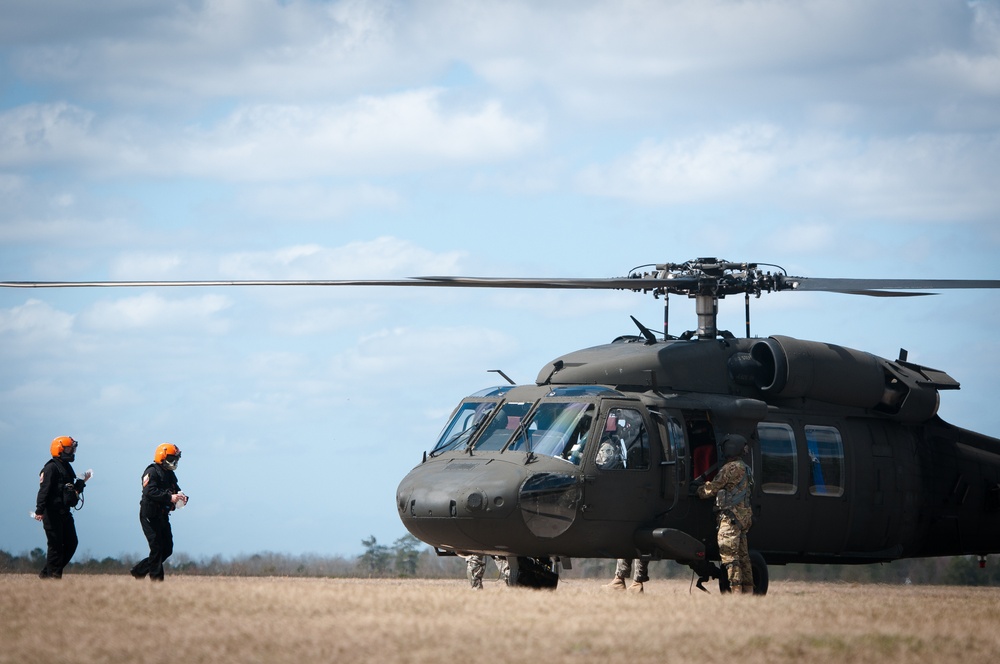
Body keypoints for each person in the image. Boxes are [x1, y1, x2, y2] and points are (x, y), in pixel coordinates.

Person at [696, 433, 754, 594]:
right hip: (743, 518)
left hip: (730, 518)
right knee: (743, 556)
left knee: (729, 554)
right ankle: (748, 590)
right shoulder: (746, 468)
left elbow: (712, 489)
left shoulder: (730, 468)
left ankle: (735, 590)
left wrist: (699, 489)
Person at [34, 436, 91, 579]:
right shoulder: (50, 468)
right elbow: (44, 490)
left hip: (65, 512)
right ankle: (53, 578)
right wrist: (39, 510)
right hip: (51, 513)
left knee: (72, 543)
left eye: (72, 448)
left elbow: (72, 491)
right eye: (68, 448)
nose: (72, 451)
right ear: (59, 449)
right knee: (55, 547)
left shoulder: (66, 467)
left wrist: (82, 481)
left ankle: (47, 573)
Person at [130, 443, 187, 581]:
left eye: (176, 459)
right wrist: (169, 497)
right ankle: (157, 581)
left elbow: (175, 490)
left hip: (162, 515)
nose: (175, 461)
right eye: (173, 458)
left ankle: (139, 570)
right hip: (150, 515)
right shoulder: (152, 471)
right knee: (156, 548)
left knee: (167, 549)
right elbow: (149, 491)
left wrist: (182, 497)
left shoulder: (170, 474)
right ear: (163, 457)